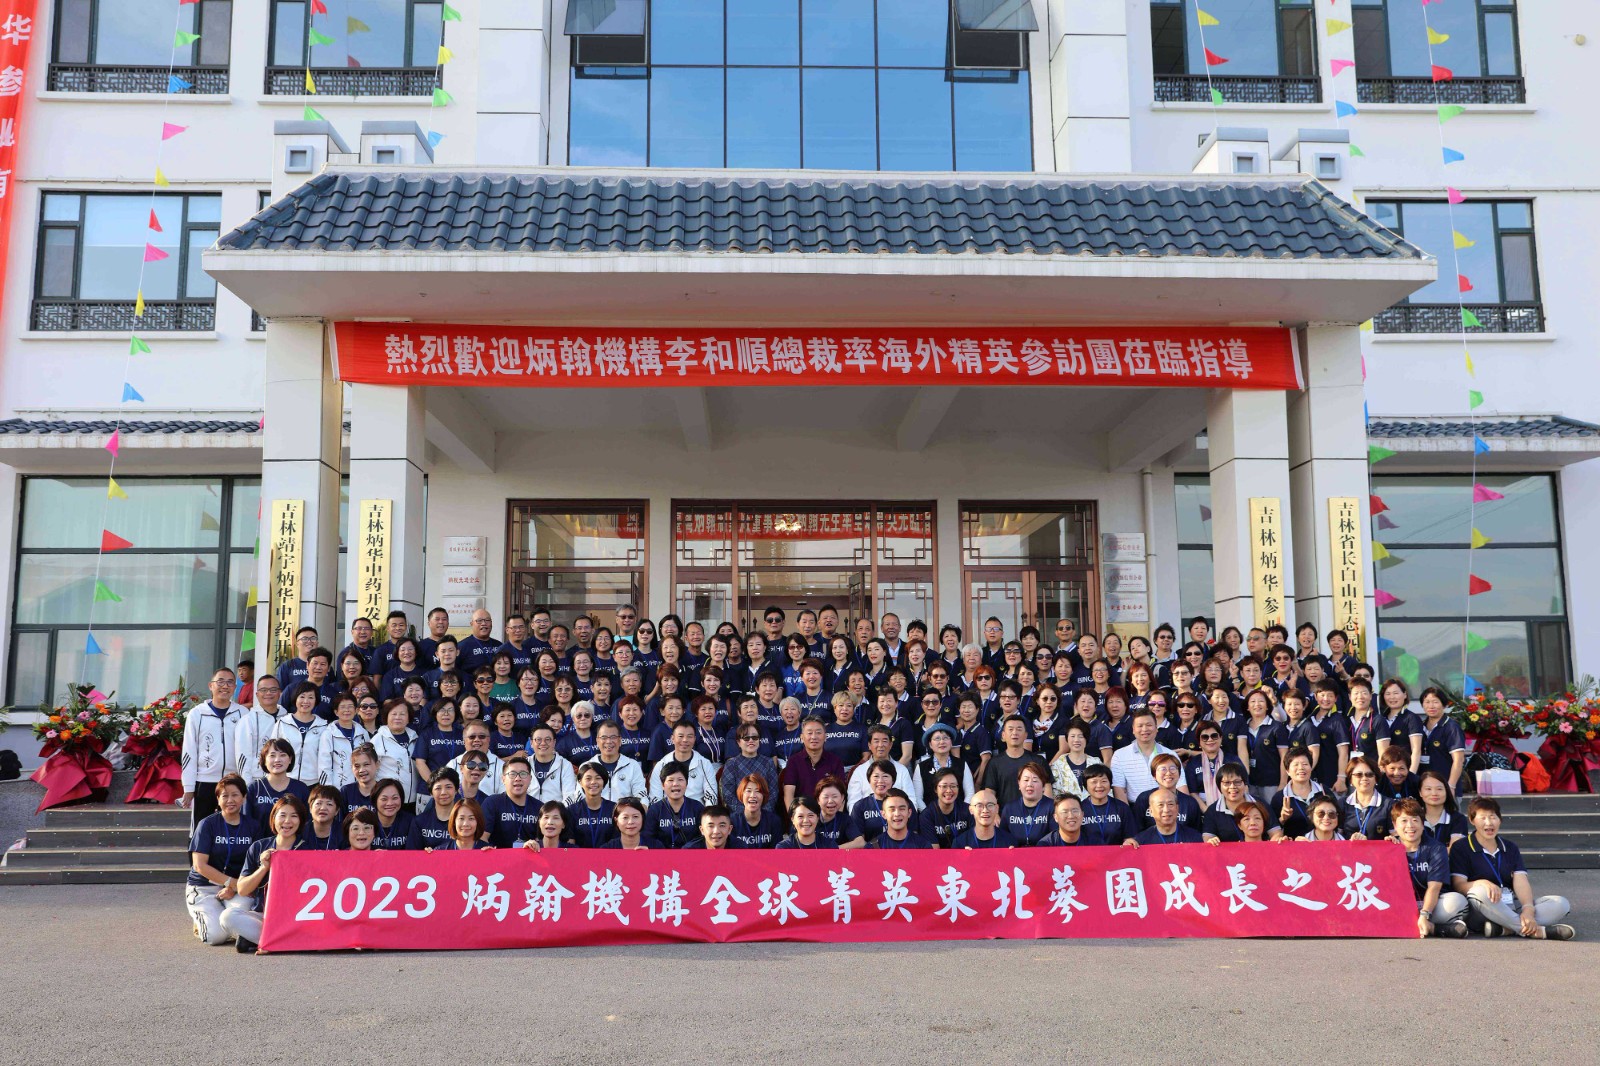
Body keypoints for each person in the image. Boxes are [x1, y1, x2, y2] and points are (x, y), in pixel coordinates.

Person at [1449, 796, 1576, 939]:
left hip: (1511, 904)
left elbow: (1521, 880)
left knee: (1561, 904)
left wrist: (1528, 910)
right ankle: (1537, 931)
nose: (1489, 822)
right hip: (1481, 909)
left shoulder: (1510, 847)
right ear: (1472, 820)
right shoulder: (1461, 847)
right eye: (1483, 818)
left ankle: (1505, 928)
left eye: (1493, 817)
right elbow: (1459, 885)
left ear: (1500, 819)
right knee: (1479, 892)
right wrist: (1482, 882)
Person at [222, 794, 306, 953]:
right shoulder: (259, 847)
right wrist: (263, 868)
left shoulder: (307, 849)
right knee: (227, 916)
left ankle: (262, 940)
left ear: (301, 820)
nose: (287, 821)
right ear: (273, 818)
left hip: (296, 918)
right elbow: (242, 889)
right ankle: (276, 942)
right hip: (263, 915)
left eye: (294, 816)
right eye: (282, 815)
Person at [185, 774, 259, 946]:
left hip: (237, 887)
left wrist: (234, 887)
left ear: (244, 798)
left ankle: (222, 921)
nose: (230, 800)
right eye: (224, 796)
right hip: (205, 887)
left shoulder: (253, 826)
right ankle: (201, 921)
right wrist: (230, 883)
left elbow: (254, 864)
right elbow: (199, 865)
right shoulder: (207, 824)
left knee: (240, 917)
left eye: (235, 795)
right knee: (215, 937)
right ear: (218, 799)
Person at [1390, 798, 1469, 938]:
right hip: (1401, 905)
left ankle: (1417, 924)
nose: (1410, 826)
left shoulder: (1436, 848)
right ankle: (1434, 928)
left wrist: (1425, 914)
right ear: (1395, 825)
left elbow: (1434, 887)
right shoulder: (1388, 848)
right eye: (1404, 821)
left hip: (1431, 904)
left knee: (1457, 901)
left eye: (1415, 820)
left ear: (1423, 824)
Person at [182, 669, 247, 824]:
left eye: (230, 682)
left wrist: (246, 780)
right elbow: (189, 751)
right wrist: (188, 787)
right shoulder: (197, 714)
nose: (225, 686)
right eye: (220, 681)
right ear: (211, 686)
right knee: (202, 826)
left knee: (233, 825)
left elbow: (247, 750)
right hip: (204, 781)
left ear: (235, 687)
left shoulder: (243, 713)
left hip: (234, 781)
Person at [1201, 764, 1283, 843]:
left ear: (1245, 783)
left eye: (1237, 782)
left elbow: (1275, 832)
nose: (1232, 787)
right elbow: (1208, 837)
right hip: (1227, 852)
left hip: (1259, 850)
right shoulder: (1212, 811)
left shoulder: (1260, 804)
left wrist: (1274, 842)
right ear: (1219, 786)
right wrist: (1211, 841)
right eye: (1227, 783)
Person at [981, 715, 1050, 808]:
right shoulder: (994, 763)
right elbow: (989, 793)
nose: (1015, 732)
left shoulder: (1038, 761)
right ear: (1003, 736)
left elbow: (1047, 791)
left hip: (1036, 814)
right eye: (1010, 729)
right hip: (1004, 814)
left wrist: (1044, 812)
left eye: (1019, 729)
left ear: (1025, 735)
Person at [647, 721, 719, 806]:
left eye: (689, 736)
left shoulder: (705, 764)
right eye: (680, 736)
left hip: (697, 811)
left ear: (694, 739)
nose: (685, 740)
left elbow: (711, 796)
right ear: (672, 739)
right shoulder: (661, 765)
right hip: (668, 811)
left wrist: (706, 813)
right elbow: (655, 798)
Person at [1109, 708, 1172, 803]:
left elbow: (1180, 786)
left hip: (1164, 806)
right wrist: (1126, 812)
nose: (1145, 729)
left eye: (1149, 725)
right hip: (1134, 807)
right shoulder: (1120, 755)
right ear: (1133, 730)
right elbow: (1119, 790)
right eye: (1140, 726)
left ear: (1156, 728)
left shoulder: (1170, 754)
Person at [244, 739, 310, 827]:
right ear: (264, 760)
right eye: (272, 755)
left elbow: (307, 823)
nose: (277, 760)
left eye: (282, 755)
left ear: (290, 759)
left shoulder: (301, 789)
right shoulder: (254, 788)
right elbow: (246, 823)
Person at [481, 754, 542, 848]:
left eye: (523, 774)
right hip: (498, 856)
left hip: (530, 856)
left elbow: (542, 842)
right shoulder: (492, 803)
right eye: (512, 774)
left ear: (530, 779)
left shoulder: (539, 807)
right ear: (503, 779)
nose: (518, 778)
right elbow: (482, 838)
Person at [232, 674, 281, 788]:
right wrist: (247, 785)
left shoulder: (287, 718)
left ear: (279, 693)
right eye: (263, 690)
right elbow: (243, 755)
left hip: (282, 780)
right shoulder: (248, 720)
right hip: (257, 780)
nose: (268, 693)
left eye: (273, 690)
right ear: (257, 694)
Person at [1132, 753, 1203, 832]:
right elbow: (1136, 831)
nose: (1168, 773)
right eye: (1163, 769)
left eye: (1172, 768)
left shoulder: (1190, 803)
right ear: (1154, 775)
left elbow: (1196, 834)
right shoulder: (1144, 798)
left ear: (1179, 774)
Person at [1417, 685, 1467, 793]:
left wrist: (1451, 786)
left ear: (1444, 705)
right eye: (1427, 702)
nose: (1431, 706)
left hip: (1446, 787)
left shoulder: (1451, 727)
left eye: (1435, 702)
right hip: (1425, 787)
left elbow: (1458, 760)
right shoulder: (1419, 726)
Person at [316, 693, 371, 790]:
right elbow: (324, 765)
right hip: (337, 788)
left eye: (350, 706)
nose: (347, 710)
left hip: (361, 787)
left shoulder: (363, 733)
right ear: (336, 712)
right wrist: (328, 790)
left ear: (356, 710)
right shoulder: (329, 734)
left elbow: (370, 760)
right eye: (342, 707)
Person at [644, 761, 703, 848]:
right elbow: (649, 838)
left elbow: (703, 837)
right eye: (670, 780)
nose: (675, 784)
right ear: (663, 785)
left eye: (680, 779)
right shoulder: (655, 810)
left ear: (686, 783)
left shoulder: (697, 807)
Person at [1270, 746, 1323, 839]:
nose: (1301, 768)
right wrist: (1282, 819)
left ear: (1311, 767)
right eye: (1296, 765)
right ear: (1287, 771)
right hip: (1293, 845)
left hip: (1321, 844)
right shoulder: (1279, 798)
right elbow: (1273, 832)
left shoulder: (1323, 792)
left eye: (1305, 764)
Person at [371, 699, 418, 802]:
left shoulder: (415, 738)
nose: (398, 717)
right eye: (394, 714)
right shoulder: (377, 740)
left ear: (408, 718)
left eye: (402, 714)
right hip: (389, 799)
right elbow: (371, 769)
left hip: (413, 798)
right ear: (387, 717)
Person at [1124, 788, 1207, 846]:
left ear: (1177, 808)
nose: (1166, 810)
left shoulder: (1195, 838)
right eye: (1160, 805)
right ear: (1151, 811)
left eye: (1170, 804)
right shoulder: (1140, 841)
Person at [914, 769, 972, 848]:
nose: (949, 790)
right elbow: (934, 850)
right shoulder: (927, 816)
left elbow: (974, 842)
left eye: (953, 786)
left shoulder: (968, 810)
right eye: (944, 786)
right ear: (935, 789)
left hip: (965, 854)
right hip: (940, 855)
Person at [1338, 756, 1392, 840]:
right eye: (1358, 775)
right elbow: (1337, 837)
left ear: (1376, 779)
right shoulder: (1342, 803)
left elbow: (1395, 837)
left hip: (1377, 849)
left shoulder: (1389, 805)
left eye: (1369, 775)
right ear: (1351, 779)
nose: (1364, 778)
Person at [566, 762, 618, 847]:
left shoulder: (614, 809)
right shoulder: (572, 810)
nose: (593, 782)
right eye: (588, 778)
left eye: (598, 778)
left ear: (604, 782)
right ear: (580, 782)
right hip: (579, 855)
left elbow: (618, 841)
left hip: (609, 855)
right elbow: (570, 843)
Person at [407, 767, 460, 849]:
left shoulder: (465, 821)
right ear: (431, 792)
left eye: (448, 787)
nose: (443, 792)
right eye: (438, 788)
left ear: (456, 790)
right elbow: (412, 853)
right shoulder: (419, 822)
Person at [1079, 764, 1133, 846]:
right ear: (1085, 785)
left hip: (1117, 853)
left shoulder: (1122, 808)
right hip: (1087, 853)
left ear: (1110, 783)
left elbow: (1130, 837)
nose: (1099, 786)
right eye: (1094, 782)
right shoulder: (1079, 809)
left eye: (1104, 781)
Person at [999, 764, 1052, 845]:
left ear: (1043, 786)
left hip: (1045, 852)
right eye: (1026, 780)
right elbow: (1002, 838)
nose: (1030, 784)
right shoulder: (1009, 809)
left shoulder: (1052, 807)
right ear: (1019, 784)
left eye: (1035, 781)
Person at [729, 774, 783, 849]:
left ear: (764, 795)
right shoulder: (732, 821)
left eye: (758, 791)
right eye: (748, 791)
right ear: (742, 794)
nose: (752, 795)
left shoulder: (774, 821)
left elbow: (777, 852)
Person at [1420, 771, 1469, 847]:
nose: (1434, 793)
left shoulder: (1458, 819)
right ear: (1420, 792)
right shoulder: (1413, 818)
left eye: (1439, 789)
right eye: (1428, 789)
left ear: (1447, 791)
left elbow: (1454, 849)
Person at [370, 778, 413, 849]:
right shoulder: (366, 821)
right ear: (375, 800)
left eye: (395, 798)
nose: (390, 803)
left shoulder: (411, 822)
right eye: (384, 799)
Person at [340, 743, 381, 813]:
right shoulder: (346, 792)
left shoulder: (383, 791)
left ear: (377, 764)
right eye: (357, 766)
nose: (361, 770)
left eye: (366, 764)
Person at [301, 785, 343, 850]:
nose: (323, 808)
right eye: (318, 803)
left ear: (337, 811)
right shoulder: (301, 832)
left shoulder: (344, 833)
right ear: (310, 808)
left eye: (329, 804)